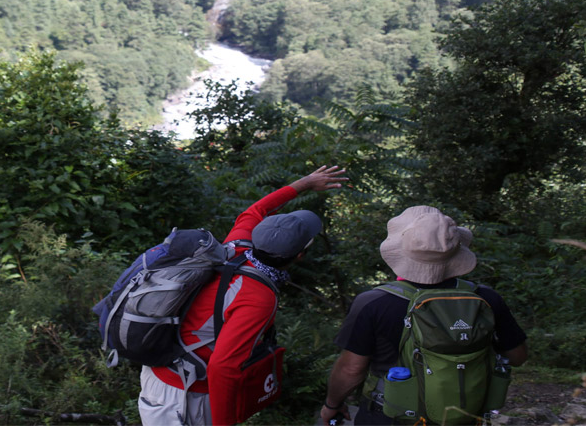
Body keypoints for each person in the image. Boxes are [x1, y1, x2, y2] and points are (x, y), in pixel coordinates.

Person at [139, 165, 348, 426]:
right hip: (187, 398)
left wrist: (304, 183)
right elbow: (223, 367)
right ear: (299, 256)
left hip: (161, 374)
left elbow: (255, 210)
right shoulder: (259, 297)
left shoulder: (236, 246)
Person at [320, 206, 529, 426]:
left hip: (391, 416)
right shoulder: (486, 298)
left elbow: (351, 369)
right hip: (464, 416)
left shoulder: (374, 302)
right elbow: (518, 357)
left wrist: (332, 404)